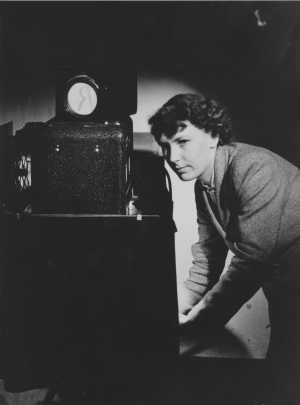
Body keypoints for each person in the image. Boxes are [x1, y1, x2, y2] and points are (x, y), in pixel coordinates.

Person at [148, 93, 300, 405]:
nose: (172, 156)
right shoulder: (203, 186)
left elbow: (250, 262)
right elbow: (207, 258)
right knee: (283, 374)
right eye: (165, 146)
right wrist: (169, 311)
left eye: (183, 141)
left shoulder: (253, 167)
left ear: (214, 136)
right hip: (287, 290)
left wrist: (197, 322)